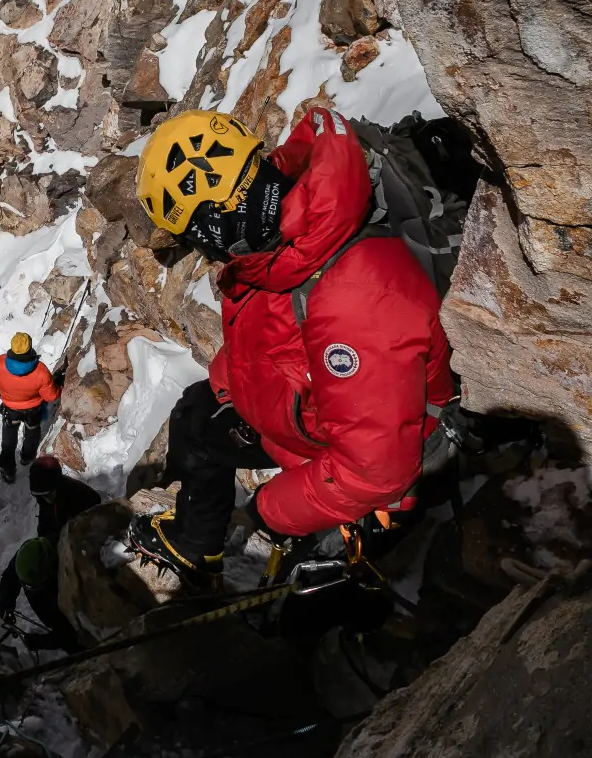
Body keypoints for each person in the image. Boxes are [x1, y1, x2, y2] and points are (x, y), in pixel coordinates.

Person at [125, 107, 456, 589]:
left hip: (384, 478)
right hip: (316, 415)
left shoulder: (353, 296)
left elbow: (375, 470)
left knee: (298, 604)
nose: (203, 252)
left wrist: (266, 511)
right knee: (197, 415)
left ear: (214, 223)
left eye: (195, 238)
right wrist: (230, 384)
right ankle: (195, 546)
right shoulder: (282, 231)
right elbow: (276, 328)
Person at [0, 332, 60, 481]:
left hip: (10, 408)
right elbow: (51, 396)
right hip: (33, 409)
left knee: (8, 439)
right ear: (29, 347)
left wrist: (4, 394)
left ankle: (7, 469)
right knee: (32, 432)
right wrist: (59, 387)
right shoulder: (41, 370)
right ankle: (27, 457)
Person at [0, 537, 83, 652]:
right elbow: (10, 578)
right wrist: (5, 606)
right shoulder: (29, 556)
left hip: (55, 595)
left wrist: (40, 642)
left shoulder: (67, 576)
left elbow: (70, 633)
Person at [30, 454, 101, 539]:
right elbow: (45, 519)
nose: (45, 499)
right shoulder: (45, 496)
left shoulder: (79, 496)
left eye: (47, 495)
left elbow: (77, 528)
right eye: (40, 495)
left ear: (56, 486)